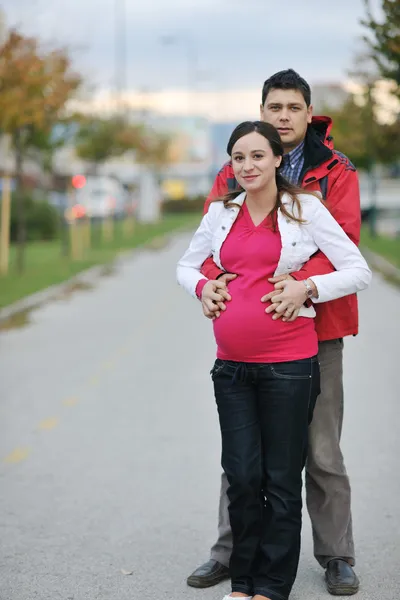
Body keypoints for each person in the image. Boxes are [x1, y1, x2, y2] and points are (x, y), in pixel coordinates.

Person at [177, 120, 371, 600]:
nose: (248, 166)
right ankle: (241, 583)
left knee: (282, 481)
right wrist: (204, 287)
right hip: (232, 367)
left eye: (258, 156)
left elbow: (357, 269)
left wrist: (308, 286)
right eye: (239, 158)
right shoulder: (222, 212)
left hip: (290, 364)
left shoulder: (305, 209)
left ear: (278, 159)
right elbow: (186, 264)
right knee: (242, 476)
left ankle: (271, 587)